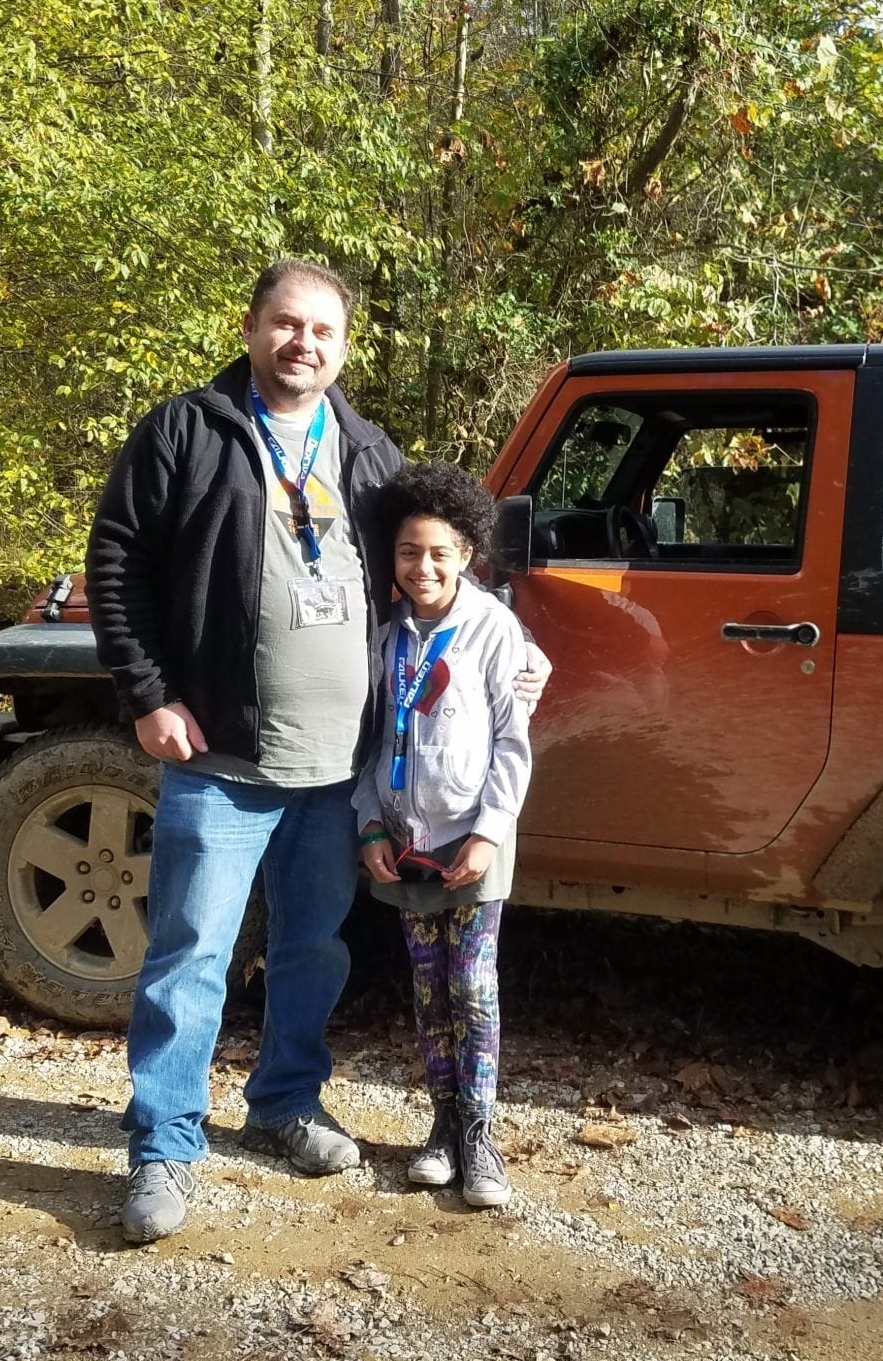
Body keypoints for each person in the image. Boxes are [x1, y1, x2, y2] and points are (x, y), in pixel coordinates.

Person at [85, 259, 547, 1243]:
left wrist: (508, 648)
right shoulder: (185, 431)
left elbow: (436, 569)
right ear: (251, 328)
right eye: (285, 325)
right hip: (219, 758)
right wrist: (147, 692)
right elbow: (116, 560)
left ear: (343, 346)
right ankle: (163, 1146)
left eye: (322, 331)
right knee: (188, 958)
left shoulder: (367, 451)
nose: (303, 343)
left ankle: (285, 1104)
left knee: (310, 952)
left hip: (338, 775)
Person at [353, 463, 532, 1210]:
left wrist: (489, 834)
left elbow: (514, 745)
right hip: (407, 844)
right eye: (406, 553)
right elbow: (366, 748)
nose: (421, 568)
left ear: (467, 553)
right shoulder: (386, 639)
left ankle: (481, 1136)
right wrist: (368, 823)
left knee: (473, 985)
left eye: (437, 553)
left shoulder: (493, 631)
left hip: (472, 846)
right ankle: (442, 1126)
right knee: (428, 991)